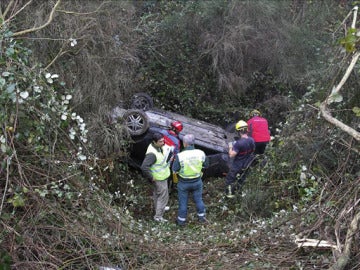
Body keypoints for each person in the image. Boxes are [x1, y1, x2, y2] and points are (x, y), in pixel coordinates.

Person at [172, 134, 209, 226]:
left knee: (183, 202)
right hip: (197, 181)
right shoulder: (201, 153)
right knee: (199, 200)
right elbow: (206, 165)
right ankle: (202, 217)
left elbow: (174, 169)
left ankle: (181, 221)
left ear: (184, 143)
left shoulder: (180, 156)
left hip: (183, 183)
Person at [141, 132, 172, 222]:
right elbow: (144, 167)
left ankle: (159, 208)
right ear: (154, 142)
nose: (163, 143)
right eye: (160, 142)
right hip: (159, 178)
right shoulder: (152, 154)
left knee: (158, 195)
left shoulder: (159, 147)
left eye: (163, 141)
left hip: (162, 176)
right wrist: (151, 177)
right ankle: (158, 216)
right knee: (163, 197)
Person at [225, 120, 255, 198]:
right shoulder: (251, 140)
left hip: (238, 164)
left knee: (230, 179)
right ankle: (240, 193)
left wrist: (231, 146)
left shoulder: (238, 143)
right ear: (246, 130)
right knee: (242, 179)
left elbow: (231, 155)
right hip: (247, 164)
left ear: (239, 131)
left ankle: (229, 195)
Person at [160, 121, 183, 190]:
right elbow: (176, 154)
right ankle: (170, 187)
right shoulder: (176, 142)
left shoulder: (162, 132)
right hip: (167, 161)